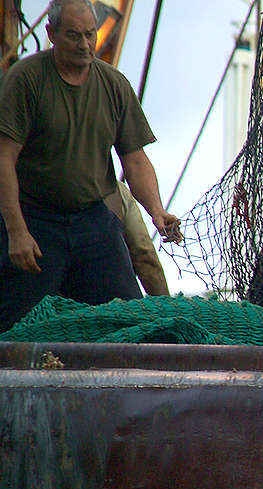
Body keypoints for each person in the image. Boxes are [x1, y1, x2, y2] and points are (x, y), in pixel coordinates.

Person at [0, 0, 181, 332]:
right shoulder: (25, 79)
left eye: (90, 34)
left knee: (129, 319)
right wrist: (16, 232)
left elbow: (136, 159)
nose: (84, 45)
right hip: (36, 222)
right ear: (51, 34)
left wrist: (157, 210)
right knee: (13, 325)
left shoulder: (114, 84)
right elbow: (3, 160)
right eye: (73, 36)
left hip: (93, 222)